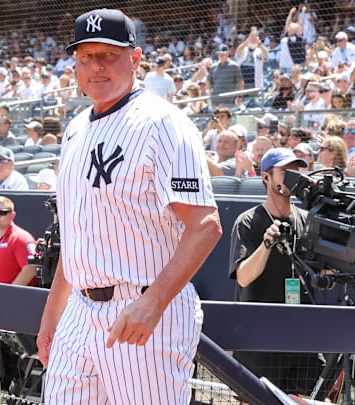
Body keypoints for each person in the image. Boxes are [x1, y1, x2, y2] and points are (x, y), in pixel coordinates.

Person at [37, 9, 222, 405]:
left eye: (108, 54)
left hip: (140, 308)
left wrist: (152, 302)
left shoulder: (163, 123)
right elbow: (75, 237)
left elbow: (205, 225)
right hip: (79, 311)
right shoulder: (75, 128)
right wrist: (52, 316)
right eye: (86, 56)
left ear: (135, 58)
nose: (96, 66)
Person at [229, 148, 326, 395]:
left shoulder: (309, 220)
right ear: (266, 178)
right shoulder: (248, 221)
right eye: (285, 171)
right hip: (259, 340)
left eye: (296, 170)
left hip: (303, 338)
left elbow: (324, 277)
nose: (293, 176)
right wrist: (266, 244)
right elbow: (243, 276)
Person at [0, 196, 38, 285]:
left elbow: (31, 268)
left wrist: (10, 293)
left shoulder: (21, 238)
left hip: (11, 297)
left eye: (3, 212)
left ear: (13, 215)